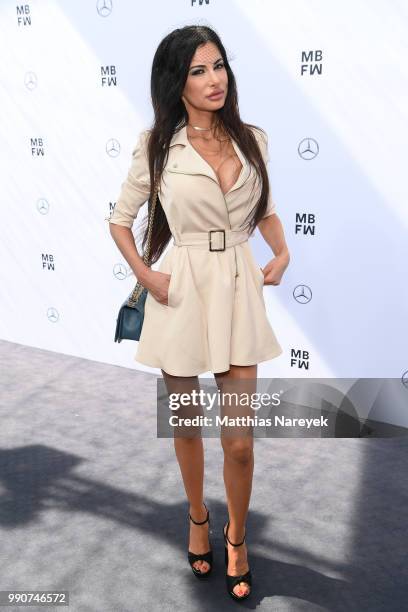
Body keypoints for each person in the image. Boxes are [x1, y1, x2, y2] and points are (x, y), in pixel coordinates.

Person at [108, 25, 290, 602]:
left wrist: (282, 249)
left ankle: (237, 535)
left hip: (237, 285)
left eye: (219, 66)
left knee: (239, 442)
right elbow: (119, 218)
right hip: (180, 290)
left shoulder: (252, 137)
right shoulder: (156, 144)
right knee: (186, 424)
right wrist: (146, 274)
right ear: (176, 82)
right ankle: (196, 518)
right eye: (198, 71)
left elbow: (264, 208)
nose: (214, 80)